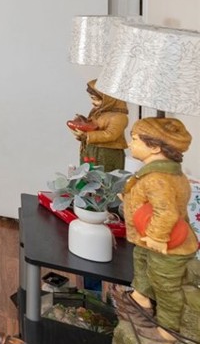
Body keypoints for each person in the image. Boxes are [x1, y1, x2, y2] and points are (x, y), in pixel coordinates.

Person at [120, 117, 198, 340]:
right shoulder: (161, 173)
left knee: (165, 286)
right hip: (147, 239)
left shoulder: (158, 178)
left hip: (166, 243)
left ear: (154, 147)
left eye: (134, 140)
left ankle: (168, 329)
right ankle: (141, 297)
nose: (130, 144)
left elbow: (166, 212)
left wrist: (156, 236)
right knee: (142, 263)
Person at [67, 80, 128, 172]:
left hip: (106, 153)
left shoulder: (119, 117)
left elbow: (110, 134)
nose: (93, 102)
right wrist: (82, 127)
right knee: (87, 174)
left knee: (103, 176)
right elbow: (93, 126)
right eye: (92, 98)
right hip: (90, 150)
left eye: (96, 99)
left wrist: (87, 136)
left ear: (109, 99)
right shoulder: (97, 112)